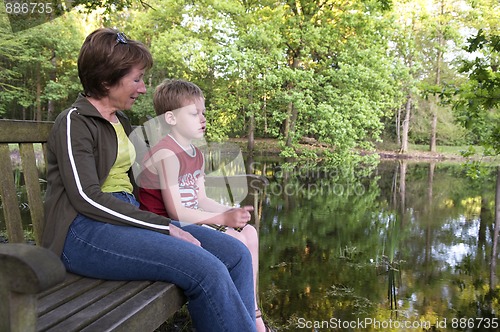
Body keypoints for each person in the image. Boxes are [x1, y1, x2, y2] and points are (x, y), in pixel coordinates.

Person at [41, 28, 256, 332]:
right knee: (206, 268)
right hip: (82, 232)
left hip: (126, 220)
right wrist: (163, 226)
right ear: (106, 80)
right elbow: (85, 197)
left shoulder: (120, 121)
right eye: (137, 79)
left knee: (235, 254)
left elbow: (141, 183)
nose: (142, 89)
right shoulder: (74, 122)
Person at [137, 79, 271, 332]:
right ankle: (245, 322)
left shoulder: (194, 154)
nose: (202, 119)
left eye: (203, 113)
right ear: (171, 119)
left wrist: (227, 211)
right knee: (236, 243)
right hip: (164, 229)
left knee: (250, 233)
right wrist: (222, 220)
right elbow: (177, 211)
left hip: (189, 223)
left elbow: (199, 199)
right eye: (194, 113)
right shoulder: (166, 154)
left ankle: (253, 314)